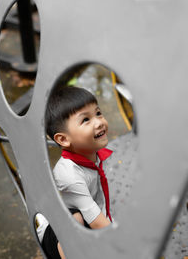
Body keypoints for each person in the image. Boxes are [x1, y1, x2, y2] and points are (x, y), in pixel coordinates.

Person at [42, 86, 113, 259]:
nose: (99, 122)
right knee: (76, 219)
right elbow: (96, 221)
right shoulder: (69, 174)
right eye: (86, 120)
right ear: (64, 139)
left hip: (85, 216)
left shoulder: (90, 154)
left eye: (98, 113)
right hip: (56, 232)